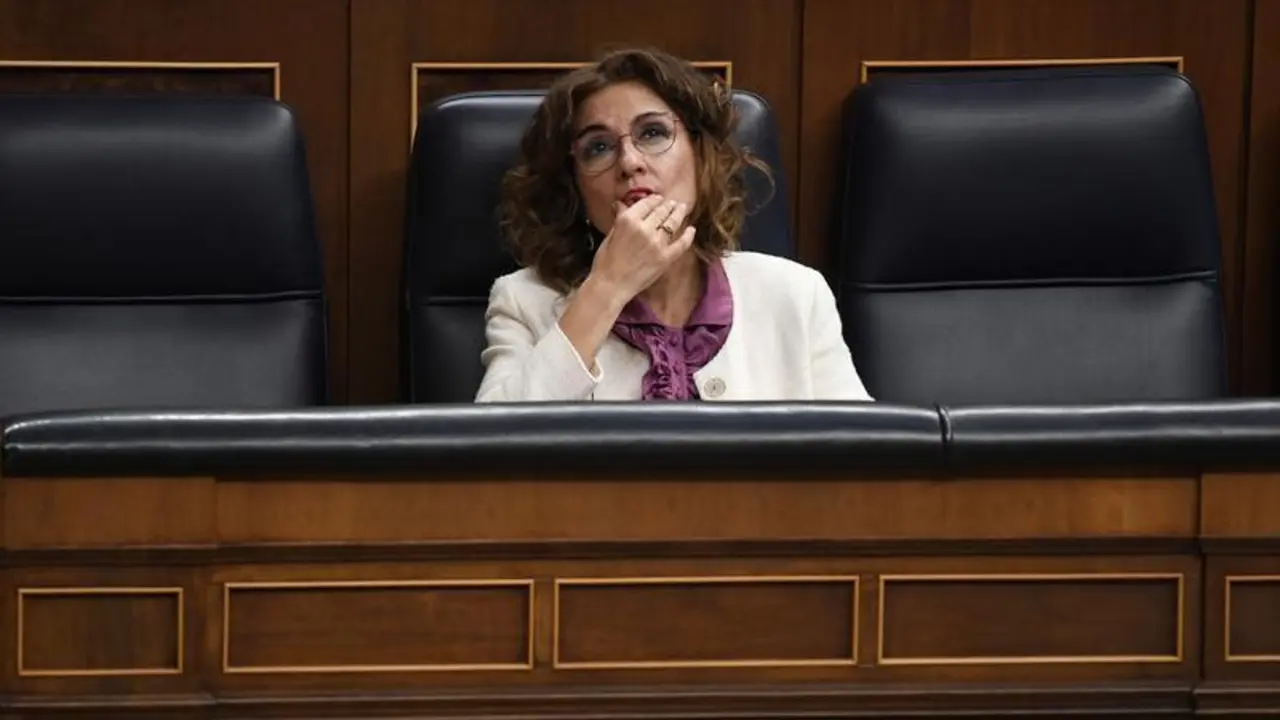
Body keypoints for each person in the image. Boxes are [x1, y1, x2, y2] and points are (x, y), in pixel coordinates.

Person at [476, 47, 872, 403]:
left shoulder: (796, 295)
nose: (630, 162)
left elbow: (862, 452)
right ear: (575, 186)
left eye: (653, 133)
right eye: (598, 147)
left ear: (701, 157)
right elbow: (493, 447)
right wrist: (606, 288)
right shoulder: (523, 302)